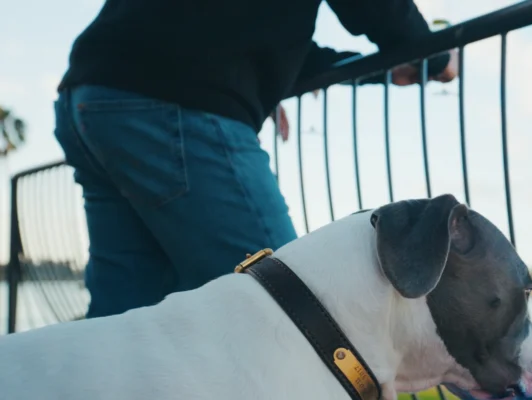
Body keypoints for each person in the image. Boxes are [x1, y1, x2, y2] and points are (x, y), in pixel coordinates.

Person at [53, 0, 458, 319]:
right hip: (176, 103)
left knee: (124, 317)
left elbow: (265, 38)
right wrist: (436, 56)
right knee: (290, 310)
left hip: (93, 95)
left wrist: (384, 71)